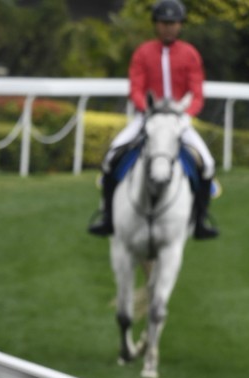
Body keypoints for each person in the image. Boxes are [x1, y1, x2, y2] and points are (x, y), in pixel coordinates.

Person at [88, 0, 219, 240]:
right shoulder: (143, 52)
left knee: (208, 163)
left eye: (173, 23)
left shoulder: (190, 54)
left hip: (179, 119)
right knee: (110, 157)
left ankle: (200, 220)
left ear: (180, 25)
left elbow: (197, 91)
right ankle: (107, 216)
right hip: (147, 118)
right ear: (156, 25)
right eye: (164, 23)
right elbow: (136, 88)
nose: (168, 28)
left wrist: (187, 114)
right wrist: (145, 108)